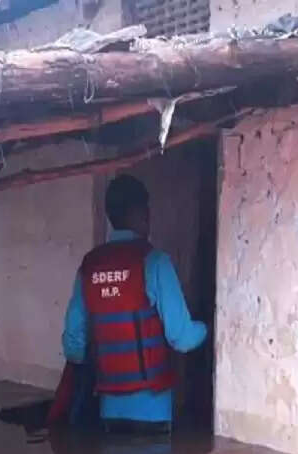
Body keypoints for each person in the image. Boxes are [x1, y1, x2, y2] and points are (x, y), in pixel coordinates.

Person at [61, 175, 207, 433]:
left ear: (109, 215)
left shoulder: (89, 266)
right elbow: (181, 339)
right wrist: (209, 329)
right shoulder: (155, 262)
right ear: (142, 212)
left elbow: (74, 346)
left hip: (107, 408)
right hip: (152, 411)